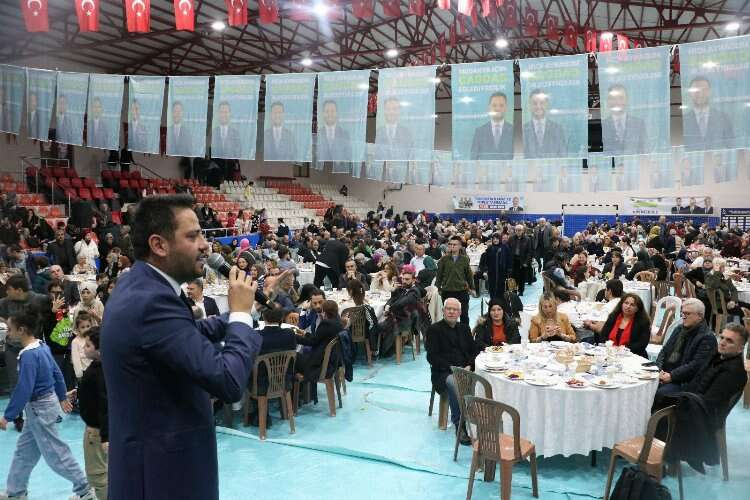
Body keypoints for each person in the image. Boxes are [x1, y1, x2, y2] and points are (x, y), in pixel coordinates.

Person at [101, 194, 262, 500]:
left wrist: (243, 311)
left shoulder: (141, 285)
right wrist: (241, 317)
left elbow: (183, 334)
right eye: (193, 236)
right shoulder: (152, 301)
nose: (205, 245)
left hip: (154, 466)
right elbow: (228, 381)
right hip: (164, 477)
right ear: (159, 245)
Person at [0, 311, 97, 500]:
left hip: (40, 409)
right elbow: (56, 373)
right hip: (43, 406)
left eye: (10, 330)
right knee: (24, 452)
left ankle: (85, 489)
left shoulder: (28, 355)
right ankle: (15, 491)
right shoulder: (42, 346)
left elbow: (24, 388)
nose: (8, 333)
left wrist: (7, 416)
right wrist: (61, 396)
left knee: (55, 453)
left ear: (22, 330)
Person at [425, 298, 477, 445]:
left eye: (455, 309)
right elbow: (432, 357)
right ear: (443, 311)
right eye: (449, 309)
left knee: (485, 379)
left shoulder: (464, 329)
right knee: (456, 382)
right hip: (443, 372)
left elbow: (474, 351)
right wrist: (452, 369)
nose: (451, 312)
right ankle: (460, 425)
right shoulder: (434, 330)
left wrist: (469, 365)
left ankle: (479, 420)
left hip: (465, 369)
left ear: (460, 313)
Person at [655, 298, 717, 397]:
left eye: (687, 314)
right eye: (682, 313)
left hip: (685, 382)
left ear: (700, 316)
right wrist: (659, 369)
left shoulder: (707, 338)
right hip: (667, 373)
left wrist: (671, 376)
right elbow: (664, 351)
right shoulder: (679, 329)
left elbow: (695, 366)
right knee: (644, 385)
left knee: (659, 394)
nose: (683, 317)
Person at [74, 326, 109, 500]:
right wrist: (78, 392)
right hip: (98, 429)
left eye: (88, 345)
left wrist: (105, 436)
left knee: (97, 475)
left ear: (99, 350)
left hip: (95, 431)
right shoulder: (101, 367)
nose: (84, 348)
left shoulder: (98, 373)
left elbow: (104, 404)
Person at [682, 76, 735, 151]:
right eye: (696, 91)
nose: (700, 94)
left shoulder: (723, 118)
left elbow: (731, 147)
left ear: (710, 92)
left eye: (704, 90)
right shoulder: (683, 122)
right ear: (690, 93)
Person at [294, 299, 342, 381]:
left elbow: (312, 342)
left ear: (324, 312)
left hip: (319, 365)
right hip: (332, 362)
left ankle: (300, 384)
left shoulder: (326, 324)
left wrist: (294, 337)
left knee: (293, 356)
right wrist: (305, 333)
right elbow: (318, 338)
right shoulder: (338, 322)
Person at [595, 293, 651, 357]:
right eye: (626, 303)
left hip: (633, 356)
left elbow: (642, 344)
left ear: (637, 309)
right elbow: (603, 336)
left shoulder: (643, 322)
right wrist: (610, 346)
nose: (628, 306)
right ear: (621, 304)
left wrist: (622, 349)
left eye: (632, 305)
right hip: (610, 353)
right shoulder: (613, 317)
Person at [436, 236, 474, 324]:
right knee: (448, 316)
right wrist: (438, 288)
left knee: (464, 315)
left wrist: (472, 288)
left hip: (462, 291)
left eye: (455, 244)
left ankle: (465, 332)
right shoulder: (444, 259)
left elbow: (469, 275)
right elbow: (439, 275)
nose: (452, 246)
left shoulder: (464, 259)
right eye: (450, 244)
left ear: (460, 246)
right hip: (447, 291)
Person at [601, 84, 647, 154]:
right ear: (607, 101)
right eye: (613, 98)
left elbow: (644, 151)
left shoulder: (639, 124)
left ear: (627, 100)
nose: (617, 101)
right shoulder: (602, 126)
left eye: (621, 98)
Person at [522, 89, 567, 158]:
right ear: (530, 105)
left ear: (547, 104)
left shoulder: (558, 129)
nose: (538, 107)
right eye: (535, 103)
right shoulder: (523, 130)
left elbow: (563, 156)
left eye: (542, 103)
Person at [470, 92, 514, 160]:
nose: (498, 108)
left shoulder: (513, 131)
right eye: (494, 105)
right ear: (489, 107)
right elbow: (473, 158)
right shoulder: (479, 132)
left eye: (501, 105)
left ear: (506, 108)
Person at [375, 97, 414, 161]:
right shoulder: (378, 133)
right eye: (388, 109)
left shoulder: (406, 133)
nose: (391, 112)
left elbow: (411, 157)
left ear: (399, 111)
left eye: (394, 109)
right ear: (384, 111)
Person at [507, 224, 532, 296]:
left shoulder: (527, 239)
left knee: (521, 276)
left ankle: (521, 290)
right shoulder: (511, 238)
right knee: (512, 276)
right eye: (516, 230)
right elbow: (508, 249)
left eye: (519, 230)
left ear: (523, 231)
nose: (518, 231)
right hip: (513, 260)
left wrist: (526, 262)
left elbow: (529, 252)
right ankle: (513, 291)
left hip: (522, 261)